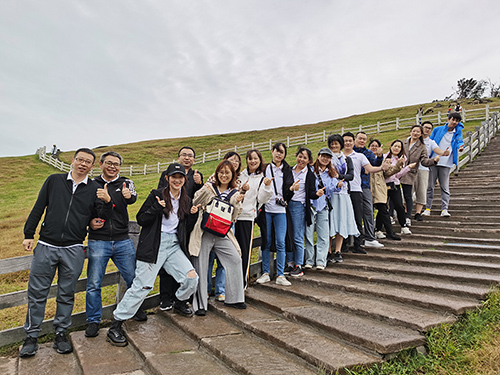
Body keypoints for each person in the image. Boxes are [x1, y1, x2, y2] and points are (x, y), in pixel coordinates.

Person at [20, 148, 112, 358]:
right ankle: (31, 337)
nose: (83, 164)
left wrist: (107, 202)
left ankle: (61, 333)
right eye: (80, 159)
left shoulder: (95, 188)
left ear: (92, 166)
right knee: (37, 294)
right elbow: (38, 207)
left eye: (88, 162)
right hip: (46, 246)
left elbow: (100, 217)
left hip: (73, 248)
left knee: (66, 294)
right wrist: (28, 234)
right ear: (73, 160)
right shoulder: (54, 180)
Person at [107, 163, 199, 347]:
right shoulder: (156, 195)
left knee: (191, 279)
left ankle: (180, 301)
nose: (177, 180)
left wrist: (193, 215)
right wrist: (156, 208)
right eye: (174, 176)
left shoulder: (186, 200)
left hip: (173, 246)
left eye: (180, 177)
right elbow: (141, 219)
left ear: (184, 179)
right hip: (153, 245)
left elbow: (185, 227)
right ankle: (116, 324)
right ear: (167, 178)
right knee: (142, 285)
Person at [85, 151, 139, 338]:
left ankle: (134, 309)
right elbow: (85, 208)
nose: (112, 166)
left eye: (116, 164)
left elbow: (132, 198)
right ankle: (93, 320)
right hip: (98, 240)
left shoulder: (125, 182)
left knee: (133, 278)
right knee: (94, 283)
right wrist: (89, 222)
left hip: (123, 240)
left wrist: (125, 196)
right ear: (100, 164)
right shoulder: (91, 184)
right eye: (109, 163)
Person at [189, 160, 246, 316]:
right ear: (216, 174)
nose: (224, 175)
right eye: (221, 172)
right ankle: (200, 304)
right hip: (205, 230)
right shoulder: (209, 188)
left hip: (222, 233)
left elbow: (234, 217)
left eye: (228, 173)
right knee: (200, 264)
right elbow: (195, 201)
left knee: (235, 259)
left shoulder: (235, 193)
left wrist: (237, 203)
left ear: (232, 175)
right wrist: (204, 192)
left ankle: (235, 298)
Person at [156, 147, 203, 311]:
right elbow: (160, 194)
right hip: (168, 224)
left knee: (183, 262)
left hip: (186, 224)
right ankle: (165, 297)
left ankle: (181, 298)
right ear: (179, 157)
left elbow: (198, 197)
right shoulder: (167, 174)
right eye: (184, 155)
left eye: (190, 155)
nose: (187, 158)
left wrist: (199, 184)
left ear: (194, 159)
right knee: (165, 265)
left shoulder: (196, 175)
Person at [206, 151, 242, 302]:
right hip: (210, 224)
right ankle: (206, 289)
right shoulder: (211, 181)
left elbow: (238, 209)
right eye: (230, 160)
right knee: (208, 258)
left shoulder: (238, 184)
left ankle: (220, 290)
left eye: (236, 161)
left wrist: (239, 201)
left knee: (224, 260)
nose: (233, 162)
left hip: (227, 226)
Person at [256, 142, 294, 286]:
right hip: (266, 209)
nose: (279, 154)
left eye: (282, 152)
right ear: (272, 152)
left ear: (284, 155)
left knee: (280, 241)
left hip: (280, 211)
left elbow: (289, 190)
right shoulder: (265, 169)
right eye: (276, 151)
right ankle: (266, 272)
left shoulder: (287, 170)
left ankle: (280, 275)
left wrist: (291, 189)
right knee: (266, 240)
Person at [343, 132, 387, 253]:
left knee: (359, 216)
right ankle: (343, 245)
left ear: (353, 142)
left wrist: (382, 166)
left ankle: (359, 243)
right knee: (344, 216)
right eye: (345, 141)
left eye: (349, 141)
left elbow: (372, 167)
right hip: (341, 190)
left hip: (357, 189)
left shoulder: (361, 155)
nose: (348, 143)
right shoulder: (338, 156)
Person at [237, 149, 273, 288]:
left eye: (255, 159)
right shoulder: (240, 175)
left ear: (260, 160)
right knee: (232, 252)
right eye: (250, 158)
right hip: (233, 217)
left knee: (245, 252)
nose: (252, 161)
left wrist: (268, 186)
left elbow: (262, 199)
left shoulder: (262, 178)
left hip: (247, 217)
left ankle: (242, 284)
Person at [286, 147, 321, 277]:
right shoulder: (289, 170)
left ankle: (298, 265)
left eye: (305, 157)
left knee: (297, 236)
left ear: (308, 160)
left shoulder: (309, 175)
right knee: (288, 235)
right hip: (286, 205)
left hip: (298, 206)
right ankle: (290, 263)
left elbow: (311, 193)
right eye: (300, 156)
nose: (301, 159)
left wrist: (316, 194)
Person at [304, 148, 340, 269]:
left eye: (328, 157)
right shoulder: (310, 170)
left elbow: (333, 188)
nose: (325, 159)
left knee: (323, 235)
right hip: (310, 205)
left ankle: (320, 261)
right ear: (318, 156)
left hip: (323, 206)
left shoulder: (331, 173)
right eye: (323, 156)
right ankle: (309, 260)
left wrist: (339, 185)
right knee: (308, 235)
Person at [424, 112, 464, 217]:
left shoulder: (457, 132)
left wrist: (460, 147)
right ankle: (427, 208)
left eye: (457, 121)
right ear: (448, 119)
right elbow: (430, 142)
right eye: (453, 119)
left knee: (445, 187)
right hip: (433, 160)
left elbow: (460, 141)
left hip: (446, 163)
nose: (454, 122)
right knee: (430, 186)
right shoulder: (438, 129)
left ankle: (444, 209)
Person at [400, 125, 441, 227]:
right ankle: (403, 213)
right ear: (410, 131)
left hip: (413, 172)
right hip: (401, 172)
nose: (415, 133)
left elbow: (424, 161)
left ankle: (414, 214)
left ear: (421, 134)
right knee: (402, 194)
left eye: (418, 132)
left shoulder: (422, 147)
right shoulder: (403, 142)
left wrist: (434, 161)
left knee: (415, 192)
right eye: (414, 131)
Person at [327, 134, 358, 262]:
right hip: (330, 194)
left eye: (336, 143)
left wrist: (338, 175)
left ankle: (338, 250)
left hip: (343, 194)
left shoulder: (346, 159)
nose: (334, 146)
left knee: (341, 221)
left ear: (341, 144)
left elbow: (351, 175)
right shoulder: (326, 158)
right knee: (329, 222)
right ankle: (328, 251)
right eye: (332, 144)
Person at [353, 132, 384, 248]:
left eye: (364, 139)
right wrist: (362, 169)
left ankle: (370, 237)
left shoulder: (368, 153)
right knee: (355, 213)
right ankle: (356, 239)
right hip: (350, 187)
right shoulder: (350, 152)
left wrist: (380, 157)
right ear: (355, 139)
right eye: (360, 138)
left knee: (368, 211)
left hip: (364, 185)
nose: (362, 141)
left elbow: (374, 164)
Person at [413, 121, 450, 221]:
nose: (427, 129)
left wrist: (444, 153)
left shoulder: (431, 142)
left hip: (424, 168)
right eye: (425, 127)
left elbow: (437, 150)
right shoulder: (412, 140)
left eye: (429, 128)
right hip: (410, 169)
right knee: (408, 192)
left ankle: (419, 212)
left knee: (423, 190)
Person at [368, 140, 402, 241]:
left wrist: (398, 165)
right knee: (370, 212)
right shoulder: (365, 158)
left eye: (376, 146)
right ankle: (374, 232)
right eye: (372, 146)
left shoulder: (383, 159)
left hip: (380, 189)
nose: (374, 148)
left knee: (383, 210)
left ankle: (389, 232)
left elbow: (388, 173)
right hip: (368, 188)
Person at [384, 140, 416, 234]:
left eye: (399, 147)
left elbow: (398, 175)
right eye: (395, 146)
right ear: (391, 146)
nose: (396, 148)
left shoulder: (402, 159)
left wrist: (408, 167)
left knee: (399, 205)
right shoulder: (385, 157)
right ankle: (379, 228)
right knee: (383, 206)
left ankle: (403, 225)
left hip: (395, 184)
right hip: (384, 184)